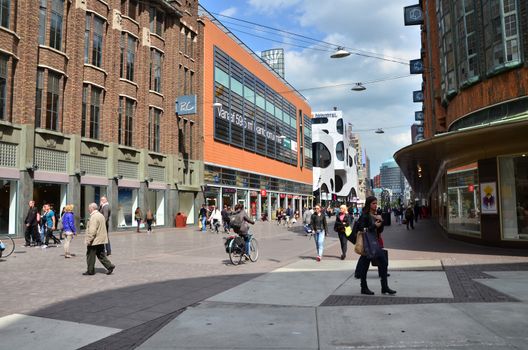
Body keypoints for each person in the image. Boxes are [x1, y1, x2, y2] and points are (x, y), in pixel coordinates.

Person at [355, 196, 396, 295]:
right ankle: (363, 287)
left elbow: (380, 230)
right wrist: (374, 226)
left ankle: (384, 287)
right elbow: (361, 229)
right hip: (367, 244)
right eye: (373, 203)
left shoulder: (376, 215)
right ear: (369, 204)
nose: (375, 205)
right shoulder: (364, 215)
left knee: (384, 263)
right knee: (365, 266)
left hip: (375, 243)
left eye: (376, 203)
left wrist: (381, 223)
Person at [84, 203, 115, 275]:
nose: (88, 209)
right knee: (101, 255)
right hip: (101, 239)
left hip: (94, 240)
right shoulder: (100, 215)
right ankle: (109, 266)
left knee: (90, 256)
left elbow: (92, 230)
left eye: (89, 208)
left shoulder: (94, 217)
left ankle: (90, 270)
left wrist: (89, 239)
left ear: (92, 208)